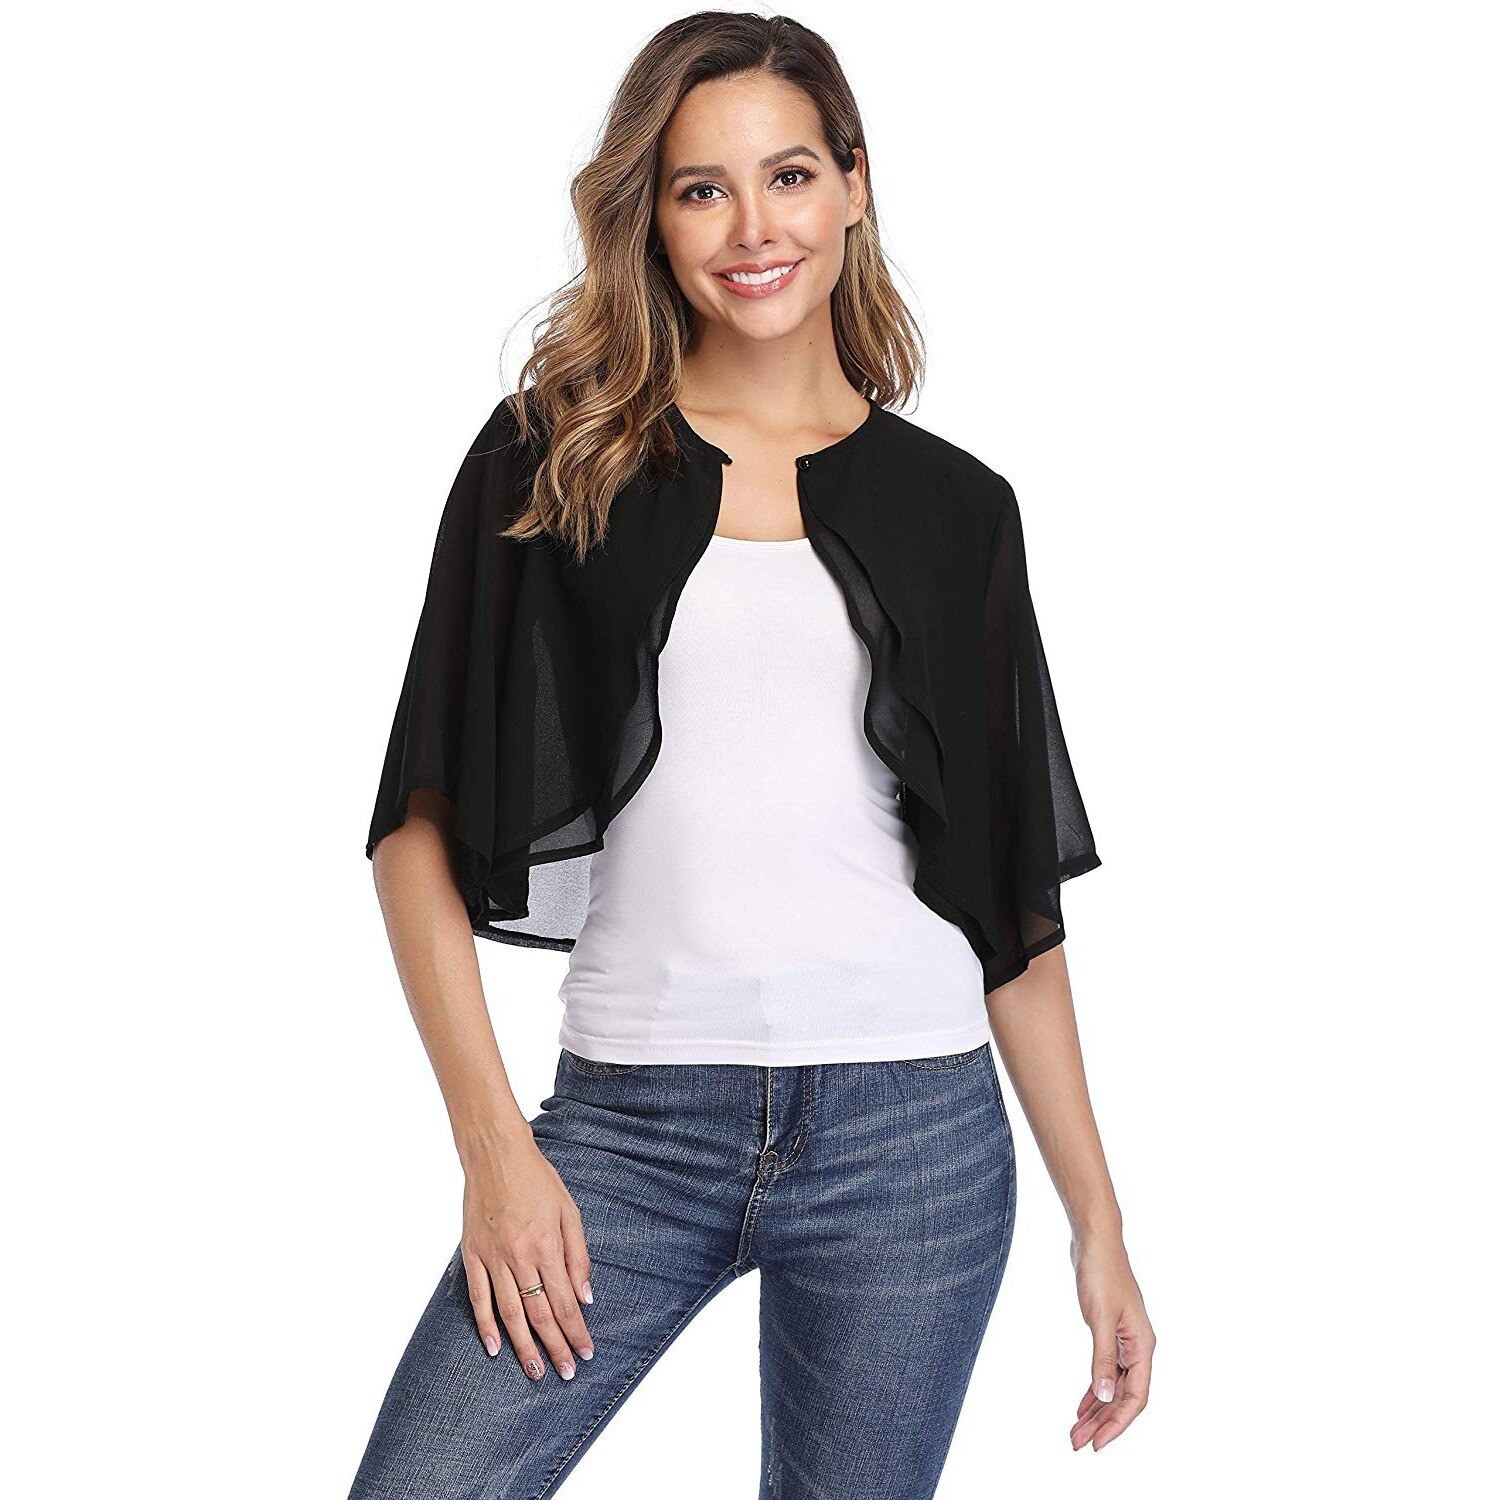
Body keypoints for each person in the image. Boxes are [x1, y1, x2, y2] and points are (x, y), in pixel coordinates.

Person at [348, 13, 1154, 1497]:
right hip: (631, 1129)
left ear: (853, 183)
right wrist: (494, 1153)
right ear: (651, 219)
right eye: (700, 189)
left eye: (788, 176)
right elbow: (417, 833)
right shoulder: (557, 461)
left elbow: (1014, 914)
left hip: (914, 1143)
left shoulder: (961, 511)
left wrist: (1096, 1223)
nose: (752, 229)